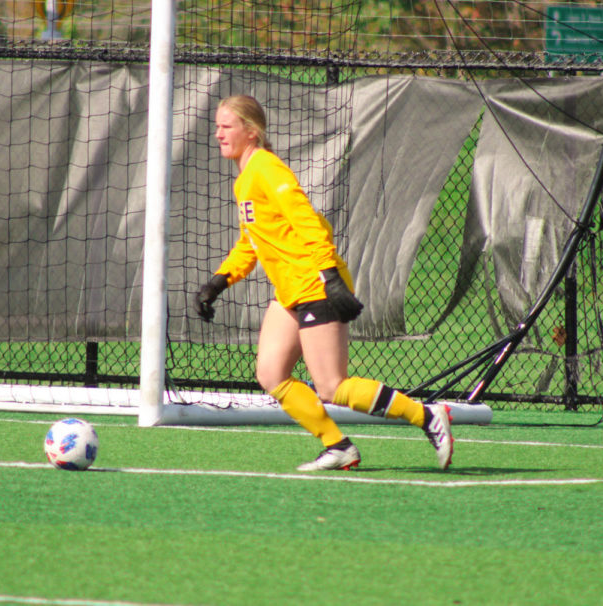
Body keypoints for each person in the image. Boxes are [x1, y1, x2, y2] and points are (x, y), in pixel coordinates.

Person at [194, 94, 453, 471]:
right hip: (290, 290)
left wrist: (329, 276)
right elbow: (252, 242)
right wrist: (219, 282)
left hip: (315, 283)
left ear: (251, 132)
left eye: (226, 126)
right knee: (271, 373)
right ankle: (338, 446)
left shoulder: (267, 168)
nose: (218, 134)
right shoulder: (246, 177)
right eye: (217, 126)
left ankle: (427, 416)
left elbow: (307, 222)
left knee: (332, 385)